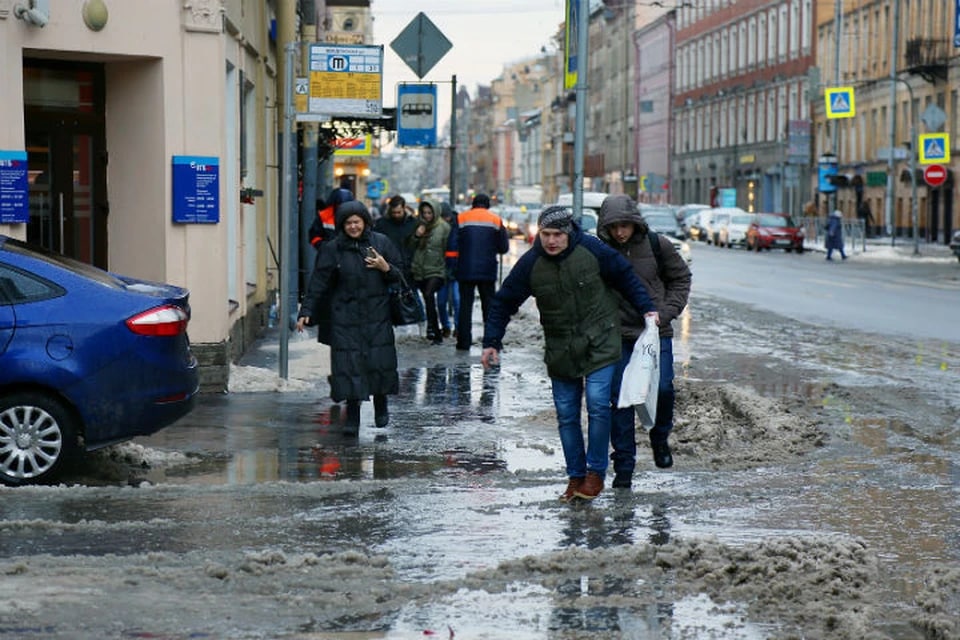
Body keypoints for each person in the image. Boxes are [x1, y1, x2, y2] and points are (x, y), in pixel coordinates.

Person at [480, 206, 659, 501]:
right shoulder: (531, 263)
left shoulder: (592, 249)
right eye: (546, 234)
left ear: (569, 232)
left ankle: (595, 473)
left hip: (601, 339)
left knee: (599, 404)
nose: (551, 241)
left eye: (558, 234)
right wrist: (491, 342)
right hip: (561, 348)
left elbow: (625, 276)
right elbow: (504, 302)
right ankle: (575, 477)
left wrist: (646, 308)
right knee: (566, 415)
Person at [598, 195, 692, 487]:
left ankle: (660, 437)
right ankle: (624, 465)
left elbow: (681, 279)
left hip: (654, 332)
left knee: (663, 388)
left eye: (625, 225)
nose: (620, 232)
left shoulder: (656, 245)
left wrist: (665, 314)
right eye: (614, 227)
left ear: (635, 223)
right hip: (618, 336)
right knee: (621, 400)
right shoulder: (600, 250)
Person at [296, 201, 403, 434]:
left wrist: (386, 268)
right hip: (344, 316)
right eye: (348, 223)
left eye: (357, 222)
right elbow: (318, 282)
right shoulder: (332, 249)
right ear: (341, 225)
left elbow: (400, 276)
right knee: (348, 365)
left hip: (377, 314)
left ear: (365, 222)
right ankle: (352, 416)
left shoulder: (381, 243)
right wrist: (306, 311)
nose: (353, 227)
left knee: (379, 362)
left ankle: (381, 406)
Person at [449, 193, 509, 351]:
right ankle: (491, 342)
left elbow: (452, 246)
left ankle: (463, 343)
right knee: (489, 308)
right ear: (488, 205)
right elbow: (504, 248)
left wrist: (452, 267)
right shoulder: (495, 220)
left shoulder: (461, 218)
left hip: (465, 270)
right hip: (487, 271)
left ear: (473, 204)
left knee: (465, 307)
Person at [408, 198, 450, 344]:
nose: (427, 216)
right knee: (426, 298)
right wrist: (417, 235)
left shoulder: (444, 227)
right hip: (420, 268)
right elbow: (411, 246)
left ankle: (434, 330)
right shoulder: (419, 226)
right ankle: (432, 328)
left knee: (429, 294)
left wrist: (447, 269)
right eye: (424, 213)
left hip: (437, 269)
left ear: (436, 212)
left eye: (429, 212)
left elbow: (447, 249)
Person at [374, 194, 420, 279]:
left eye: (399, 212)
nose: (396, 215)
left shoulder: (413, 223)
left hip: (410, 268)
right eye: (393, 212)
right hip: (389, 266)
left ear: (404, 208)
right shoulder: (381, 224)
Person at [437, 202, 461, 339]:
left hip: (456, 270)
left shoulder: (458, 226)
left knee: (457, 300)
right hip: (442, 269)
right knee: (441, 301)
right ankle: (446, 326)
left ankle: (457, 328)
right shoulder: (438, 227)